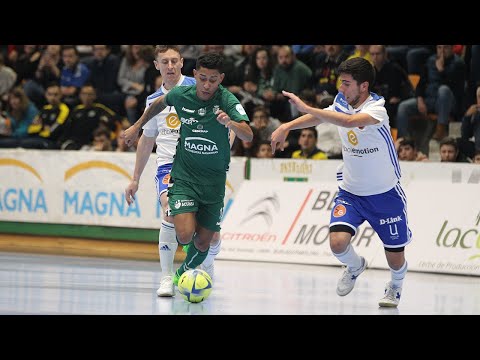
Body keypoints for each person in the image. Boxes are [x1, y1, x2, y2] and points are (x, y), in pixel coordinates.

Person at [271, 57, 411, 308]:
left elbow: (346, 122)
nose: (341, 89)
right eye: (340, 83)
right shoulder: (340, 102)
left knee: (395, 258)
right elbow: (326, 117)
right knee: (337, 244)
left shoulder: (376, 110)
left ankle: (396, 286)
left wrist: (308, 108)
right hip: (351, 192)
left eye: (346, 84)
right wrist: (287, 126)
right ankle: (355, 265)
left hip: (384, 195)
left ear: (364, 86)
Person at [123, 52, 253, 289]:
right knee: (172, 217)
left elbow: (241, 129)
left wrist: (226, 140)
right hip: (171, 166)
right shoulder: (157, 99)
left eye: (175, 61)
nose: (170, 66)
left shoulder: (207, 89)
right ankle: (166, 277)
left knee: (209, 238)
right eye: (165, 62)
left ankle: (204, 261)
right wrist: (135, 178)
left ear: (183, 64)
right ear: (157, 66)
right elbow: (147, 138)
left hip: (210, 171)